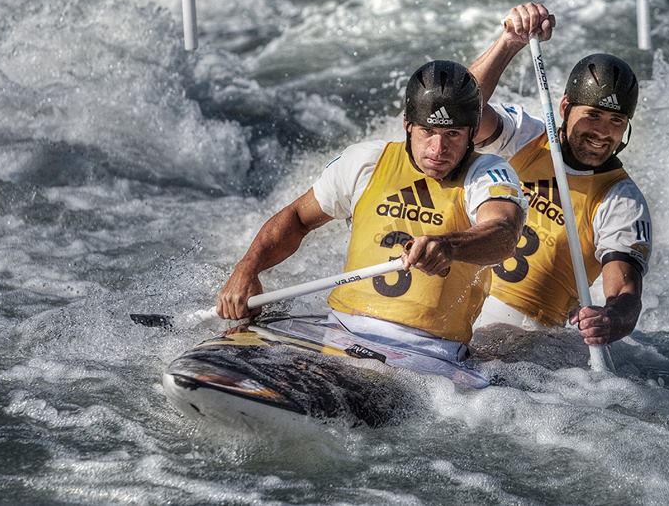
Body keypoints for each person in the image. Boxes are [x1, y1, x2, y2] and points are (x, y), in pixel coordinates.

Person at [216, 60, 527, 362]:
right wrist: (248, 269)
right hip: (340, 329)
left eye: (453, 135)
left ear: (472, 133)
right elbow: (298, 217)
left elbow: (503, 233)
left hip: (428, 354)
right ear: (407, 125)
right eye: (427, 132)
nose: (438, 149)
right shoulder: (366, 161)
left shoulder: (488, 172)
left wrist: (450, 245)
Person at [469, 3, 652, 346]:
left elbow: (626, 293)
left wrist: (611, 319)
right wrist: (509, 41)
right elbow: (458, 112)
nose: (603, 132)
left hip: (521, 337)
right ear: (565, 108)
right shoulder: (524, 136)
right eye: (593, 115)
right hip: (454, 304)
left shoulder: (621, 201)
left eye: (617, 122)